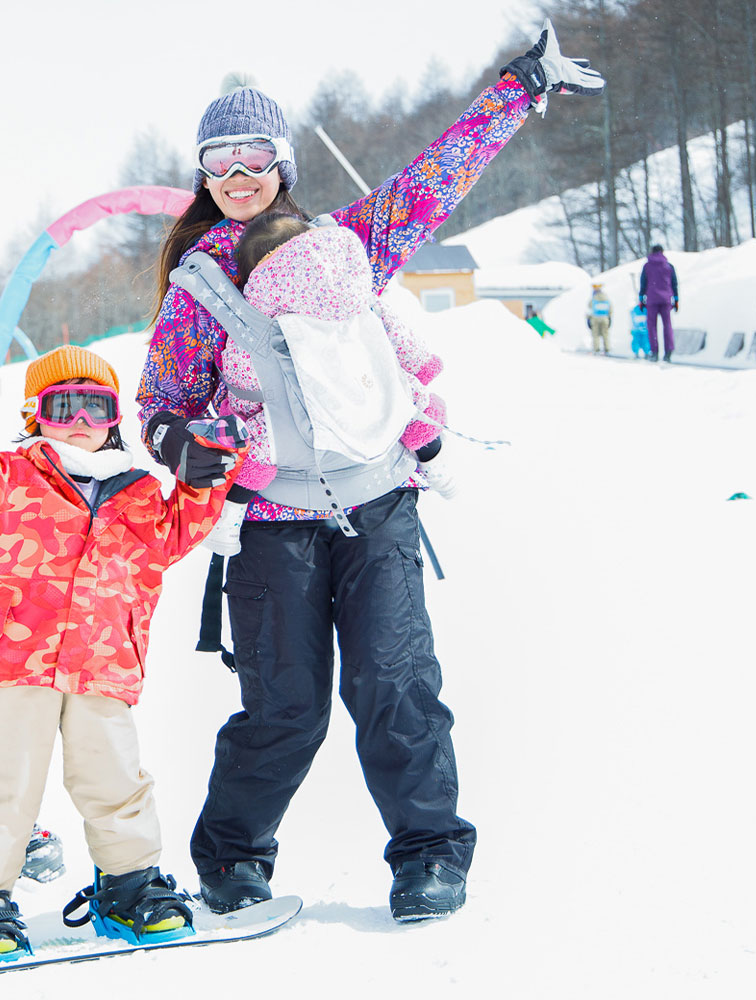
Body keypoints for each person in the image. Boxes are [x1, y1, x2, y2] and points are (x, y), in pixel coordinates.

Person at [136, 21, 603, 923]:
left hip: (379, 501)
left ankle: (429, 854)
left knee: (395, 684)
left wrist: (520, 91)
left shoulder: (351, 240)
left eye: (254, 157)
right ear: (204, 174)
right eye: (219, 163)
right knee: (286, 706)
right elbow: (161, 401)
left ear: (283, 163)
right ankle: (233, 856)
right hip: (272, 522)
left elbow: (436, 180)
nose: (238, 178)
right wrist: (178, 445)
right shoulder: (196, 285)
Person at [0, 338, 242, 965]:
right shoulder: (6, 477)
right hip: (16, 662)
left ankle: (129, 887)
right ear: (35, 414)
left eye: (96, 406)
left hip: (105, 663)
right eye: (65, 407)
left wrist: (208, 473)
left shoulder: (140, 491)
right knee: (2, 785)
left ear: (115, 416)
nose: (82, 423)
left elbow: (175, 538)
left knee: (115, 780)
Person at [204, 213, 448, 558]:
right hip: (372, 395)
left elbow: (246, 375)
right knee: (412, 405)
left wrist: (241, 410)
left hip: (304, 420)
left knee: (255, 449)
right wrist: (421, 367)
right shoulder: (357, 292)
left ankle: (229, 519)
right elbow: (394, 331)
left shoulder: (261, 325)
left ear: (256, 275)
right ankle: (436, 465)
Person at [639, 245, 679, 362]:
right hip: (666, 299)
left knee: (651, 326)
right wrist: (676, 300)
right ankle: (668, 351)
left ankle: (654, 352)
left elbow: (643, 283)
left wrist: (641, 299)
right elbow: (674, 283)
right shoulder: (668, 266)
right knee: (667, 325)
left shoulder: (647, 266)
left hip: (651, 299)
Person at [586, 282, 613, 354]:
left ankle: (596, 349)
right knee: (605, 334)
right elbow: (610, 309)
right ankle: (607, 348)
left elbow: (589, 308)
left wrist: (588, 318)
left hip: (595, 318)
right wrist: (609, 318)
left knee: (595, 334)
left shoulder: (593, 298)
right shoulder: (606, 298)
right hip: (605, 318)